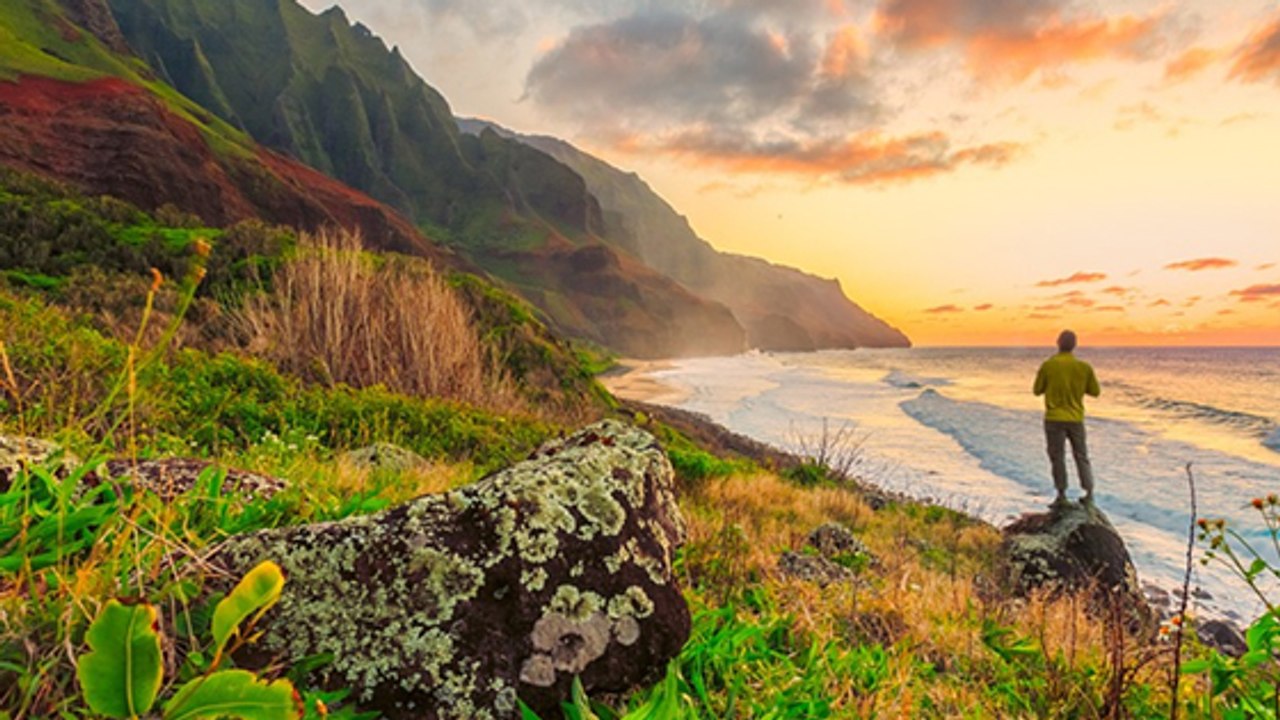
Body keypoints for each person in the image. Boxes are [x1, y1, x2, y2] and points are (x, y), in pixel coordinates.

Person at [1033, 330, 1100, 506]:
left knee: (1057, 457)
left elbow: (1037, 390)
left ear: (1058, 343)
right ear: (1074, 345)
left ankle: (1061, 494)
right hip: (1076, 418)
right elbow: (1095, 391)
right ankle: (1089, 492)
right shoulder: (1084, 367)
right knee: (1081, 455)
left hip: (1054, 418)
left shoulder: (1048, 365)